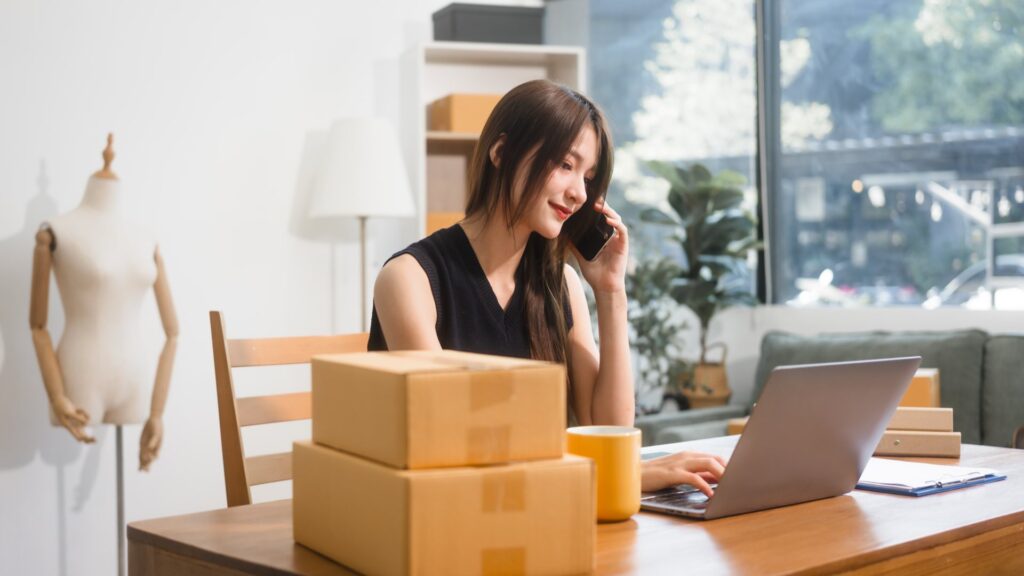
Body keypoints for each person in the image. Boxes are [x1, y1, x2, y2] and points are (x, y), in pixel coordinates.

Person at [369, 79, 726, 495]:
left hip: (534, 506)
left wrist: (611, 294)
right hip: (442, 516)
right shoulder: (410, 278)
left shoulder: (560, 285)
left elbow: (607, 428)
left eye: (589, 177)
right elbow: (451, 436)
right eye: (565, 165)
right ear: (501, 153)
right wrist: (626, 474)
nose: (579, 193)